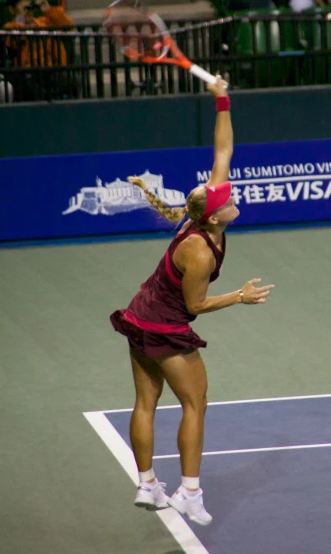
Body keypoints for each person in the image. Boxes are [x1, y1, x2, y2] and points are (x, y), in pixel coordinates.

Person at [110, 77, 275, 525]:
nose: (234, 195)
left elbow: (223, 151)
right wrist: (239, 297)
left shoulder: (203, 214)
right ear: (216, 215)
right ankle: (188, 493)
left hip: (138, 315)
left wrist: (222, 97)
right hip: (163, 328)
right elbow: (196, 305)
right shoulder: (200, 250)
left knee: (145, 402)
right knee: (194, 405)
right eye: (229, 198)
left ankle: (147, 484)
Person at [3, 0, 75, 101]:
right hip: (29, 72)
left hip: (53, 69)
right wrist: (21, 21)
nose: (29, 11)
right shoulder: (10, 27)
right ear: (12, 9)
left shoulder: (44, 23)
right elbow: (12, 44)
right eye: (25, 8)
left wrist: (48, 10)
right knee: (29, 85)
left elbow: (68, 26)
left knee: (69, 80)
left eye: (30, 7)